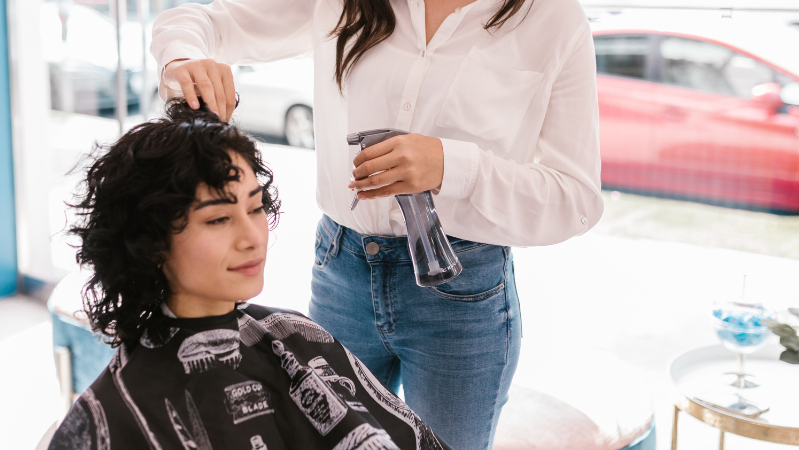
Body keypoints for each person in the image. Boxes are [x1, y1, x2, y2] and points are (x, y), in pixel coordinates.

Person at [151, 0, 603, 447]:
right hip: (341, 272)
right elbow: (198, 22)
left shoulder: (552, 17)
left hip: (460, 294)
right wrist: (183, 59)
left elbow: (577, 198)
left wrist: (451, 165)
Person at [49, 100, 452, 450]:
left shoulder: (292, 334)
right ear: (149, 241)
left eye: (256, 208)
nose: (251, 238)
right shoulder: (110, 415)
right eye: (219, 218)